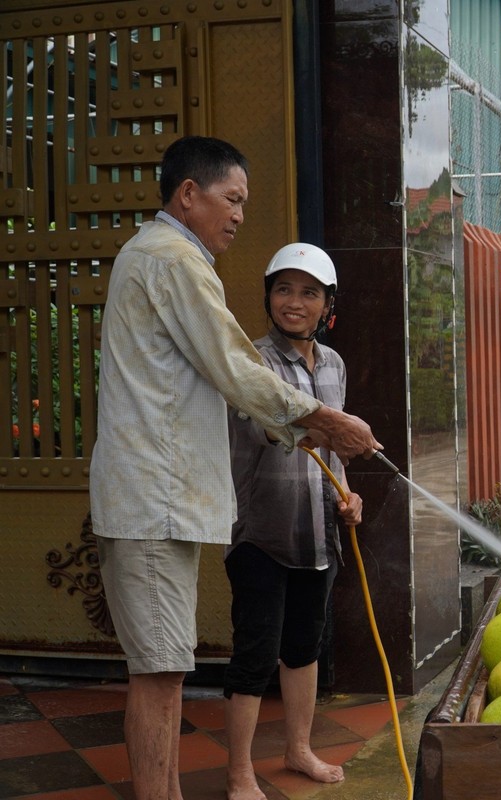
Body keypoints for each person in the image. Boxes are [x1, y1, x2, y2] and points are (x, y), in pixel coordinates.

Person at [90, 135, 382, 800]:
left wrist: (318, 425)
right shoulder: (172, 260)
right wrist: (323, 419)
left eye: (244, 203)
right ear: (188, 194)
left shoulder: (159, 256)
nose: (240, 214)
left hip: (158, 502)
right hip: (155, 502)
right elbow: (234, 365)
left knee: (163, 669)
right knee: (163, 672)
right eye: (233, 198)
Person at [223, 243, 359, 800]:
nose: (294, 302)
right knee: (255, 653)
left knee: (304, 647)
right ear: (268, 296)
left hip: (318, 536)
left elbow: (338, 453)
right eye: (284, 289)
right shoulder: (250, 363)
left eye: (309, 292)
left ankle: (298, 748)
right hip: (262, 534)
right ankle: (238, 774)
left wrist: (348, 498)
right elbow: (266, 431)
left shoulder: (334, 365)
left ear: (328, 304)